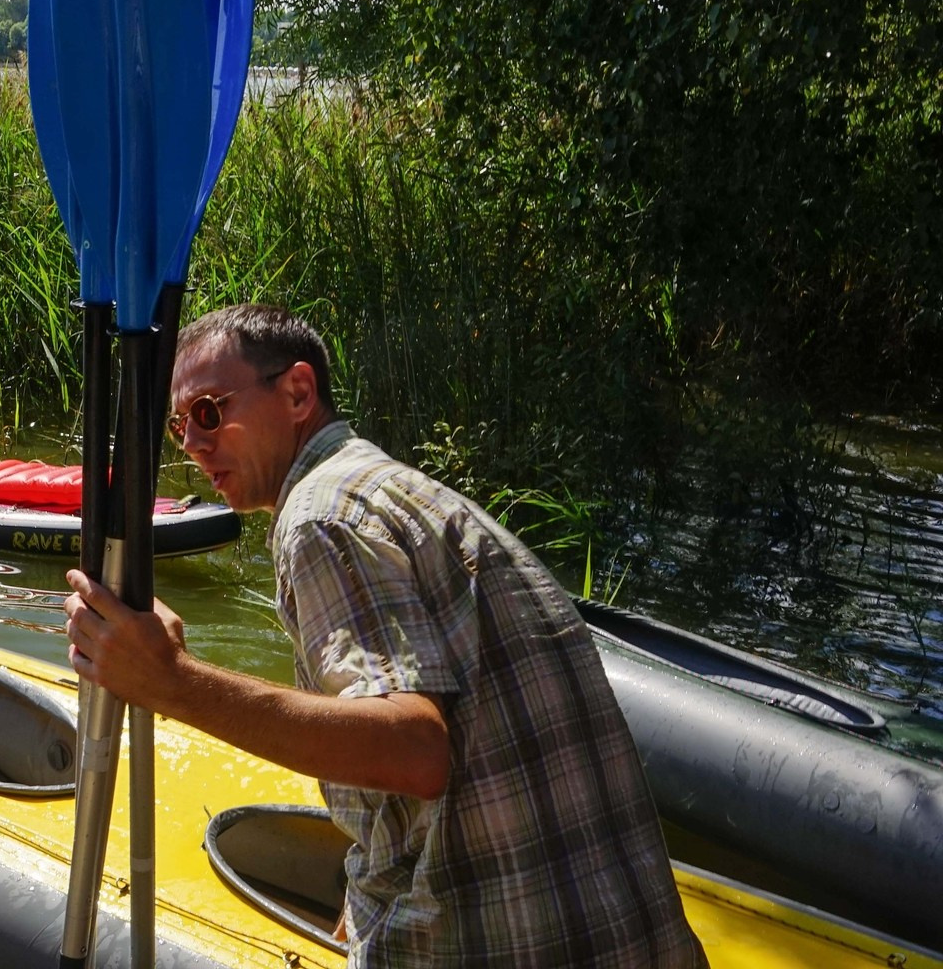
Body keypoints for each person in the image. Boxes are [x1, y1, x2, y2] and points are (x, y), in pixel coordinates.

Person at [62, 303, 704, 967]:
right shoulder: (392, 492)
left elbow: (416, 750)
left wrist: (173, 683)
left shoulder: (319, 515)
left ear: (298, 393)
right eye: (179, 426)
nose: (192, 444)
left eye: (208, 412)